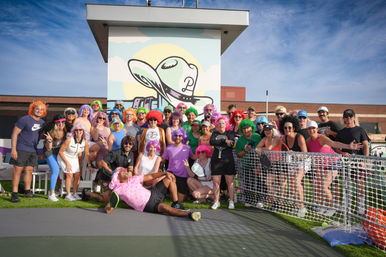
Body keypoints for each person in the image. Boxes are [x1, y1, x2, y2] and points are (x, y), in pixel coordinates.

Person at [306, 120, 363, 216]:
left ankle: (332, 208)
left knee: (324, 187)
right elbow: (312, 155)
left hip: (334, 163)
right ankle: (322, 206)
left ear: (317, 129)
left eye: (313, 128)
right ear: (307, 130)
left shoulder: (321, 138)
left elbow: (334, 144)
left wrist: (348, 146)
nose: (311, 130)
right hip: (322, 165)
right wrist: (316, 169)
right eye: (309, 128)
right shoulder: (308, 141)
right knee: (317, 185)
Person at [104, 168, 200, 221]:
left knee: (168, 179)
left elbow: (151, 176)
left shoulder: (134, 178)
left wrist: (165, 173)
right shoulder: (117, 190)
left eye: (124, 170)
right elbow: (110, 205)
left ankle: (176, 203)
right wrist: (108, 209)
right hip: (148, 205)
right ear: (117, 177)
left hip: (153, 193)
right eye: (121, 172)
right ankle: (189, 214)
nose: (125, 172)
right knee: (165, 208)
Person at [10, 101, 46, 203]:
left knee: (29, 171)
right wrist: (13, 149)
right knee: (17, 171)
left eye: (41, 109)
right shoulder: (24, 119)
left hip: (33, 150)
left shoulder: (43, 123)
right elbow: (14, 134)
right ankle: (14, 194)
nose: (39, 111)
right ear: (32, 109)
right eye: (37, 109)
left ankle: (27, 192)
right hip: (21, 149)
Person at [335, 109, 369, 215]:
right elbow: (336, 148)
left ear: (354, 117)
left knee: (359, 183)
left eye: (350, 116)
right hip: (345, 162)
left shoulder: (360, 130)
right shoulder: (340, 132)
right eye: (346, 116)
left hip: (358, 161)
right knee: (345, 184)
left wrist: (364, 160)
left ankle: (361, 206)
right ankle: (346, 204)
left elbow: (366, 145)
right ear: (343, 119)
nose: (348, 118)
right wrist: (342, 153)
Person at [83, 135, 136, 203]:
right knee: (105, 200)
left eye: (130, 144)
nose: (128, 145)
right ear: (123, 144)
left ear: (133, 145)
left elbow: (130, 167)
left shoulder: (131, 154)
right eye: (126, 143)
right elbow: (103, 162)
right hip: (105, 177)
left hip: (117, 179)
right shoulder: (115, 153)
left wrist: (130, 173)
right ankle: (87, 192)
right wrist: (112, 172)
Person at [279, 115, 308, 215]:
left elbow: (305, 154)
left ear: (294, 128)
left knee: (296, 181)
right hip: (293, 161)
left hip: (303, 161)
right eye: (285, 128)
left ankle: (302, 207)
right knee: (292, 184)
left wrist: (294, 153)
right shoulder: (284, 138)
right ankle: (297, 205)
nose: (287, 129)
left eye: (290, 127)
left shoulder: (299, 137)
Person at [57, 122, 90, 201]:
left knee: (77, 175)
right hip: (64, 157)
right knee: (69, 175)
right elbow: (60, 152)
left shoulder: (85, 141)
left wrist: (90, 164)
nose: (78, 132)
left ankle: (74, 193)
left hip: (74, 158)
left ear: (83, 131)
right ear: (73, 131)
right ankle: (68, 195)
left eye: (80, 130)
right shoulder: (69, 140)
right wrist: (67, 163)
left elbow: (87, 154)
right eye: (76, 130)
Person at [210, 116, 236, 210]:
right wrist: (224, 141)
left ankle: (231, 201)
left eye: (223, 123)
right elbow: (212, 142)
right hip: (216, 160)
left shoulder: (230, 133)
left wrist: (220, 142)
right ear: (217, 124)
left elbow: (232, 143)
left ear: (226, 124)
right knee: (216, 182)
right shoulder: (214, 133)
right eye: (219, 123)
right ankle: (217, 201)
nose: (221, 125)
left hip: (228, 160)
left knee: (230, 182)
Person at [162, 129, 195, 204]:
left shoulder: (187, 148)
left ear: (183, 137)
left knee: (180, 200)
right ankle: (170, 192)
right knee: (175, 198)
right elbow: (163, 160)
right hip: (171, 174)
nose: (177, 137)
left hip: (183, 175)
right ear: (173, 136)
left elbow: (193, 157)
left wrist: (207, 156)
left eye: (180, 136)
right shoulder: (169, 148)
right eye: (176, 135)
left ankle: (180, 193)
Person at [236, 119, 262, 207]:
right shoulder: (240, 140)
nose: (246, 130)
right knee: (248, 183)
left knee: (259, 183)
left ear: (252, 128)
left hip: (258, 164)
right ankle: (249, 200)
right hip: (246, 164)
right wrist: (245, 150)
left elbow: (262, 149)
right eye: (244, 128)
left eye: (247, 128)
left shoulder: (257, 136)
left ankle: (260, 200)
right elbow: (238, 154)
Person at [256, 123, 282, 210]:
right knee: (269, 182)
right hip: (270, 163)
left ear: (272, 130)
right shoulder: (265, 139)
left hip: (279, 163)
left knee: (279, 184)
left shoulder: (277, 138)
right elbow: (257, 147)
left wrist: (261, 149)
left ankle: (279, 202)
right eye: (266, 130)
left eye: (269, 130)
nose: (267, 132)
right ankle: (275, 202)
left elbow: (270, 148)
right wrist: (259, 149)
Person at [43, 114, 67, 202]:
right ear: (55, 123)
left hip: (58, 154)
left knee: (63, 169)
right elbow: (48, 148)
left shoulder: (66, 132)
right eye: (58, 122)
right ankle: (51, 194)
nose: (61, 124)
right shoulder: (51, 131)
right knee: (56, 170)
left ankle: (60, 189)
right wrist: (49, 141)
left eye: (63, 122)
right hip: (49, 153)